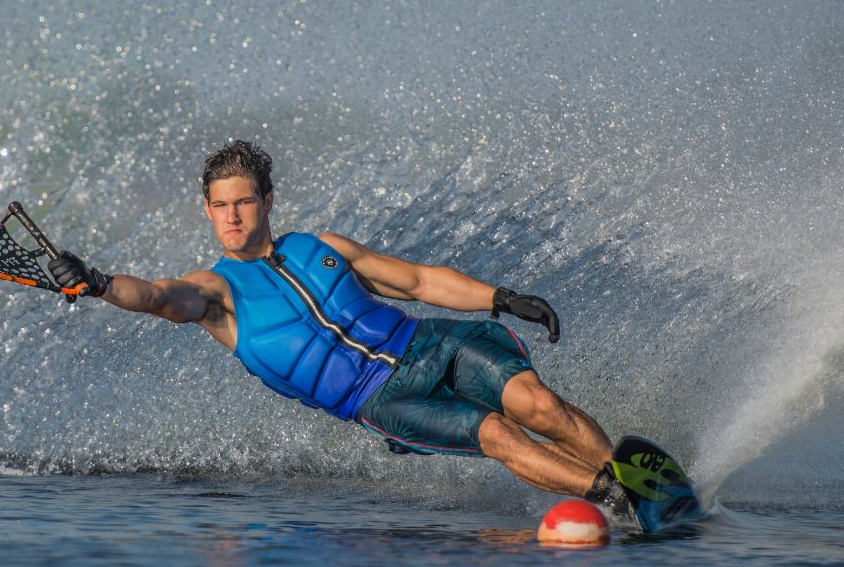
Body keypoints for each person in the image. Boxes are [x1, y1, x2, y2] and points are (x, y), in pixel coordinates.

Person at [49, 140, 635, 523]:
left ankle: (636, 481)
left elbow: (416, 281)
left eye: (244, 202)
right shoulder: (215, 294)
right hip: (382, 400)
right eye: (221, 206)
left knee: (539, 406)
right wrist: (99, 283)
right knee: (499, 434)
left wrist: (502, 298)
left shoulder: (320, 247)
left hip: (427, 344)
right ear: (206, 208)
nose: (232, 216)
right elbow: (154, 296)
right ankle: (618, 498)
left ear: (267, 201)